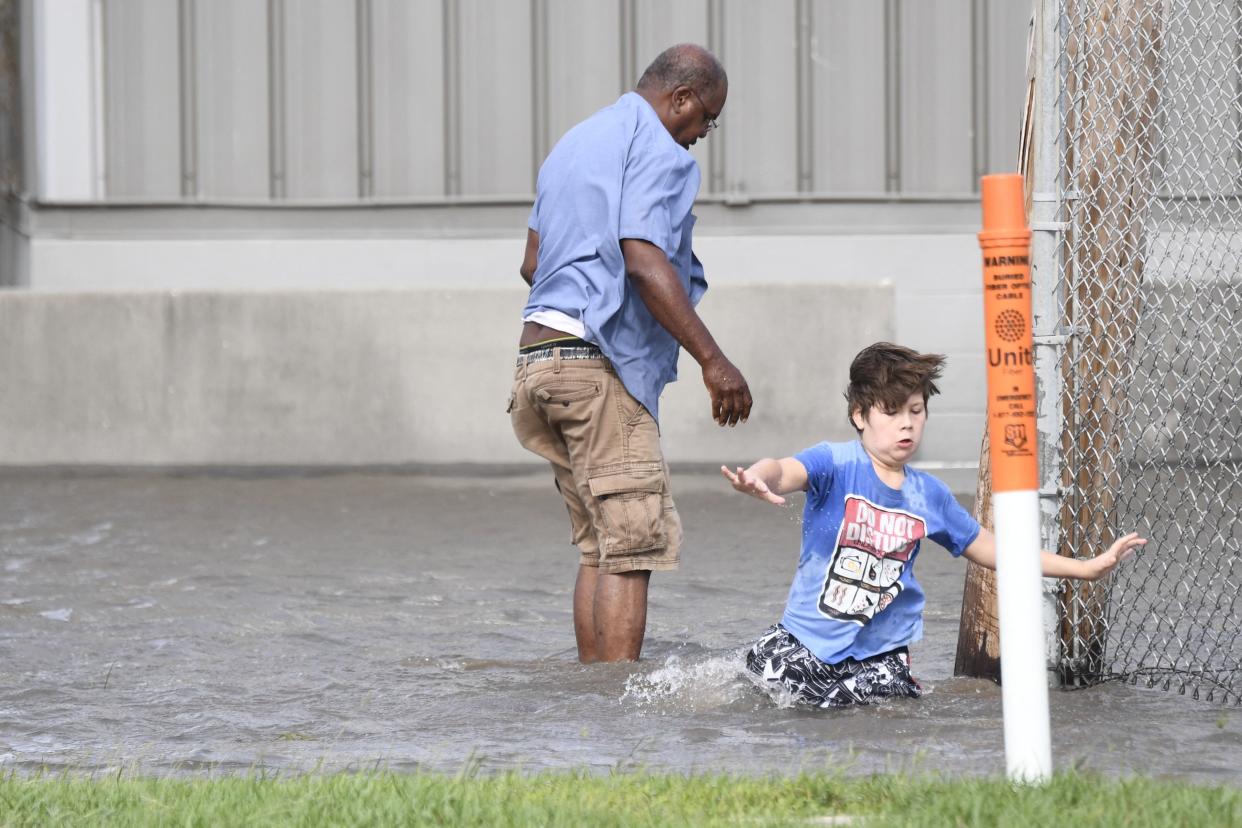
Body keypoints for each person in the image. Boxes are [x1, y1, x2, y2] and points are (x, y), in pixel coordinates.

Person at [720, 342, 1145, 708]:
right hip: (804, 642)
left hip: (878, 658)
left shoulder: (930, 495)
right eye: (891, 412)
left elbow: (994, 550)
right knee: (756, 700)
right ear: (859, 416)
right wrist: (758, 477)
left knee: (890, 714)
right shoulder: (835, 463)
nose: (907, 423)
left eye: (916, 410)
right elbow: (782, 469)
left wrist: (1086, 568)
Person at [510, 44, 753, 664]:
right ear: (680, 99)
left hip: (538, 364)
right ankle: (618, 715)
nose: (702, 135)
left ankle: (595, 711)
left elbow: (533, 263)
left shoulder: (576, 141)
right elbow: (644, 259)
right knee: (633, 544)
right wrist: (713, 361)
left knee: (599, 546)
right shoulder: (659, 150)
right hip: (596, 369)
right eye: (707, 119)